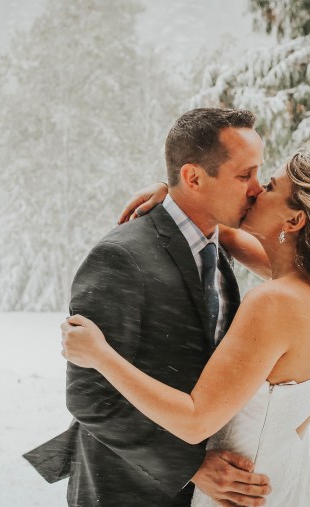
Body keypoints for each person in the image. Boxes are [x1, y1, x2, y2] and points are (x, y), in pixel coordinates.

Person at [61, 148, 310, 506]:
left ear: (295, 218)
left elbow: (196, 419)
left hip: (236, 489)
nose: (254, 191)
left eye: (269, 185)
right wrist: (181, 194)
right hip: (280, 478)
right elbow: (232, 236)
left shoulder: (275, 303)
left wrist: (100, 356)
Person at [24, 108, 273, 506]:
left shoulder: (217, 245)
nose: (257, 189)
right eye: (245, 175)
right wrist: (190, 465)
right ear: (193, 177)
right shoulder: (121, 257)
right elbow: (89, 398)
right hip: (125, 490)